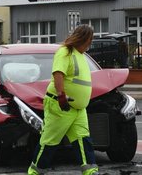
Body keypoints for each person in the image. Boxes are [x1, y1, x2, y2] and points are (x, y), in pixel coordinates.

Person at [28, 25, 98, 175]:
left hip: (78, 109)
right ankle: (35, 171)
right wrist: (61, 95)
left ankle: (91, 171)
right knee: (50, 142)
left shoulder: (81, 55)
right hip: (61, 105)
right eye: (89, 40)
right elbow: (58, 73)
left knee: (83, 140)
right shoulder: (65, 52)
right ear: (83, 39)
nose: (90, 44)